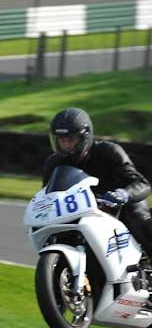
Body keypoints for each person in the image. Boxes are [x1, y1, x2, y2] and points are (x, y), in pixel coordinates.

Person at [43, 107, 152, 256]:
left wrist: (123, 194)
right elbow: (47, 196)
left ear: (84, 137)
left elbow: (141, 183)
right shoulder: (54, 162)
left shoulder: (110, 151)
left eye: (71, 140)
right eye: (62, 141)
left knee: (140, 220)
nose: (66, 146)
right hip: (82, 210)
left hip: (120, 205)